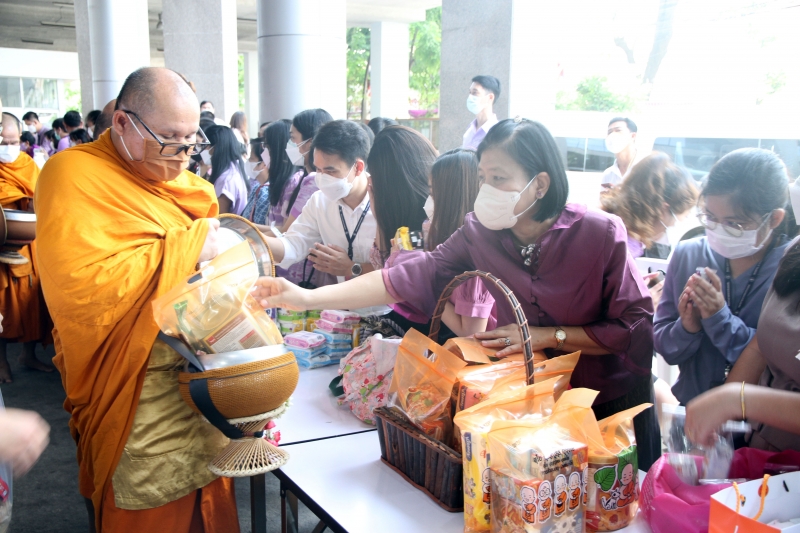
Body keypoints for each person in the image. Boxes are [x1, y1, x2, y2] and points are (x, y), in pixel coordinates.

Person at [254, 118, 661, 470]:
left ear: (540, 184)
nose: (486, 189)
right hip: (536, 402)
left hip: (611, 403)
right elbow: (410, 274)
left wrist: (545, 336)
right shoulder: (480, 232)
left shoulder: (598, 233)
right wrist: (306, 298)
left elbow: (634, 328)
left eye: (499, 178)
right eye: (483, 177)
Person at [35, 67, 239, 532]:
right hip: (130, 383)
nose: (184, 154)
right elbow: (80, 290)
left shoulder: (192, 189)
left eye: (192, 140)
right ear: (122, 123)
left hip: (199, 376)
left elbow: (209, 281)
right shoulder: (73, 174)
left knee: (209, 497)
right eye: (169, 138)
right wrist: (189, 247)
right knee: (145, 501)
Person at [654, 148, 790, 406]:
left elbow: (779, 363)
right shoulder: (689, 254)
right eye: (710, 217)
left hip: (760, 423)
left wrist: (719, 319)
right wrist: (687, 327)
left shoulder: (789, 268)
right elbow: (666, 348)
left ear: (773, 219)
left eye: (735, 224)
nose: (719, 230)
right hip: (692, 410)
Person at [686, 182, 800, 449]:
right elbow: (762, 344)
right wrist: (721, 416)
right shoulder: (794, 253)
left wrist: (739, 399)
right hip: (766, 448)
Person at [263, 120, 381, 298]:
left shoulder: (385, 202)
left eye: (330, 171)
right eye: (318, 170)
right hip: (343, 311)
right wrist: (251, 240)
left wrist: (352, 268)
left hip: (386, 312)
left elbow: (400, 268)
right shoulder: (319, 202)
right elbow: (292, 246)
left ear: (358, 167)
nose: (322, 178)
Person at [366, 126, 437, 332]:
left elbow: (391, 278)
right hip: (413, 327)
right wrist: (378, 210)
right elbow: (384, 266)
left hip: (431, 334)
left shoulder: (430, 221)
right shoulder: (399, 214)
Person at [0, 112, 52, 384]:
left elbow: (41, 190)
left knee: (33, 304)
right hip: (2, 247)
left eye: (13, 141)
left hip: (30, 244)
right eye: (2, 142)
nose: (8, 148)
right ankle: (1, 362)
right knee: (5, 305)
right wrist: (23, 198)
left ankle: (28, 355)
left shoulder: (27, 164)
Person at [426, 148, 497, 336]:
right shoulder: (451, 242)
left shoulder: (476, 253)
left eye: (433, 194)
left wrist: (426, 287)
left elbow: (471, 335)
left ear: (451, 200)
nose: (428, 201)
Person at [267, 108, 333, 287]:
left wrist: (249, 237)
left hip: (301, 276)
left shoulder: (312, 182)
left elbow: (288, 232)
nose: (289, 144)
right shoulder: (302, 178)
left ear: (309, 142)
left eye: (293, 138)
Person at [600, 152, 699, 260]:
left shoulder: (610, 225)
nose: (673, 226)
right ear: (663, 210)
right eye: (681, 218)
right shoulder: (624, 247)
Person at [244, 120, 293, 227]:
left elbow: (284, 233)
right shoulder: (277, 185)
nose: (265, 152)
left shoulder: (292, 184)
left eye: (267, 146)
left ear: (278, 149)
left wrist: (246, 229)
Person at [205, 125, 249, 216]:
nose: (203, 150)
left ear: (214, 147)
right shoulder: (234, 168)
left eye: (205, 145)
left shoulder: (225, 179)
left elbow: (219, 217)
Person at [601, 117, 643, 189]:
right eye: (610, 132)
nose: (613, 135)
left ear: (633, 136)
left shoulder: (645, 168)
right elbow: (603, 199)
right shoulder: (608, 174)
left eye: (618, 130)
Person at [463, 75, 500, 150]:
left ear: (490, 97)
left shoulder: (497, 132)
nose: (470, 97)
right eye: (470, 92)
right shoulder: (469, 130)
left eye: (475, 93)